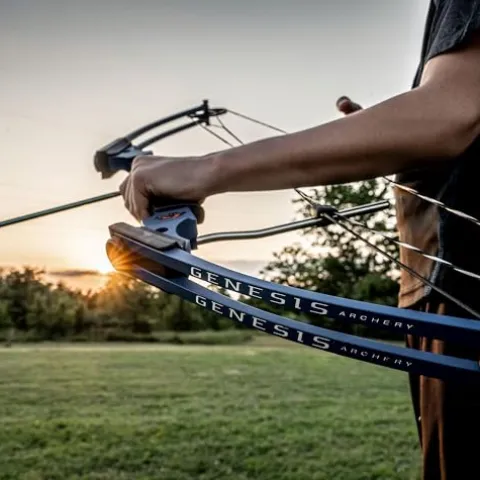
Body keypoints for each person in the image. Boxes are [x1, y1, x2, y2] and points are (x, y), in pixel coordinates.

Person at [119, 2, 480, 478]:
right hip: (442, 286)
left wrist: (205, 169)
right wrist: (385, 136)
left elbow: (451, 115)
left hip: (460, 290)